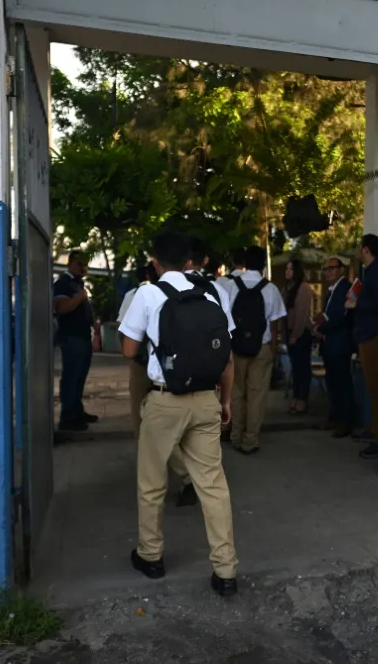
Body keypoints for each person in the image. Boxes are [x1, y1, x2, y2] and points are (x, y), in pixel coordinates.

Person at [118, 230, 239, 597]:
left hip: (165, 400)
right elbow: (226, 357)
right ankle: (226, 570)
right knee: (213, 486)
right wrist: (226, 402)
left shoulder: (147, 294)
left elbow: (128, 350)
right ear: (189, 262)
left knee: (152, 482)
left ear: (155, 262)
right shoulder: (212, 294)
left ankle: (151, 556)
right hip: (206, 398)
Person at [118, 264, 198, 508]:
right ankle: (186, 475)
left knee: (145, 424)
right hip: (177, 369)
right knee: (168, 425)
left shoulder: (135, 295)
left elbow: (126, 341)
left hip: (142, 367)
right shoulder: (192, 293)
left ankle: (175, 475)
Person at [223, 245, 287, 455]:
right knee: (257, 395)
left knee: (236, 393)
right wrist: (273, 347)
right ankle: (250, 440)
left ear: (244, 263)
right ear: (262, 266)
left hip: (235, 347)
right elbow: (275, 322)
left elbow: (224, 319)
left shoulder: (231, 286)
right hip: (261, 347)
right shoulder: (271, 289)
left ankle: (235, 435)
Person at [53, 250, 98, 438]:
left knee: (80, 376)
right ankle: (68, 417)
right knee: (71, 376)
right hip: (71, 336)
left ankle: (77, 410)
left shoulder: (77, 284)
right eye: (80, 264)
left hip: (83, 335)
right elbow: (61, 308)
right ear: (70, 263)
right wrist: (80, 298)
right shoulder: (63, 284)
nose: (83, 268)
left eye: (85, 264)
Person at [347, 234, 378, 459]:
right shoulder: (369, 271)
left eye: (360, 248)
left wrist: (356, 303)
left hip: (372, 336)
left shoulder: (377, 271)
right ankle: (373, 429)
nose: (357, 252)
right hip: (366, 335)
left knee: (375, 389)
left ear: (366, 250)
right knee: (371, 389)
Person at [315, 257, 354, 439]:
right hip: (329, 343)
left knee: (342, 383)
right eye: (326, 269)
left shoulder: (345, 288)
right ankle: (334, 417)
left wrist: (322, 328)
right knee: (332, 382)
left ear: (341, 270)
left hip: (340, 343)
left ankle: (345, 421)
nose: (328, 272)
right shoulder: (331, 290)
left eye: (332, 268)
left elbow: (341, 317)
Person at [282, 258, 314, 415]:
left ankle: (303, 399)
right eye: (287, 269)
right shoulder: (287, 288)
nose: (288, 272)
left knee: (303, 368)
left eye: (291, 269)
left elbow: (302, 314)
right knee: (295, 368)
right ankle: (296, 397)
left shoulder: (303, 288)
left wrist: (296, 334)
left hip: (301, 334)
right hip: (289, 332)